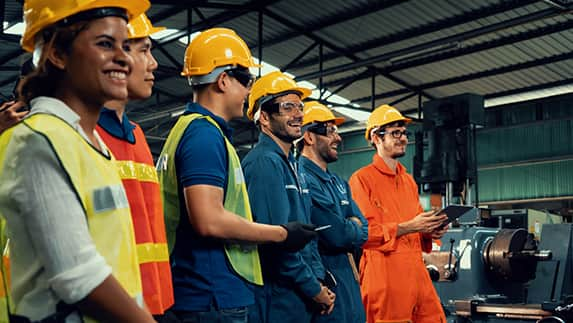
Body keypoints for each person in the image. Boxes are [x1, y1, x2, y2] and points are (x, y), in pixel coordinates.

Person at [0, 0, 155, 322]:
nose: (124, 58)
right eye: (104, 44)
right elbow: (78, 277)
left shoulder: (89, 142)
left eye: (126, 46)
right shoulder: (39, 140)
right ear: (57, 54)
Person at [157, 28, 317, 323]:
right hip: (212, 294)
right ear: (223, 80)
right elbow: (208, 219)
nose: (247, 92)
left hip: (207, 291)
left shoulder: (192, 131)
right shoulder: (204, 135)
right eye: (246, 82)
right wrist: (282, 234)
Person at [96, 13, 174, 319]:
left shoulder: (138, 137)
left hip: (152, 305)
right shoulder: (82, 136)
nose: (154, 64)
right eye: (144, 50)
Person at [242, 72, 336, 323]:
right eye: (287, 107)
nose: (298, 114)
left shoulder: (291, 164)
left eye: (299, 106)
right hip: (278, 298)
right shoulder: (264, 163)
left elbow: (306, 234)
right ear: (264, 117)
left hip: (299, 294)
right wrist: (314, 289)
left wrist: (318, 278)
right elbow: (278, 245)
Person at [348, 104, 448, 323]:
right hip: (384, 274)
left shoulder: (408, 181)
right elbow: (366, 234)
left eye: (404, 133)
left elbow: (418, 226)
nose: (403, 138)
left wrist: (432, 229)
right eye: (395, 133)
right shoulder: (361, 180)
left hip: (416, 271)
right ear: (376, 137)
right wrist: (412, 226)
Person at [297, 101, 368, 323]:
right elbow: (337, 236)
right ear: (309, 137)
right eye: (330, 131)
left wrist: (352, 228)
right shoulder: (303, 178)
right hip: (327, 284)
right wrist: (351, 225)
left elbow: (365, 229)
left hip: (349, 281)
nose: (338, 138)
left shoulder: (338, 182)